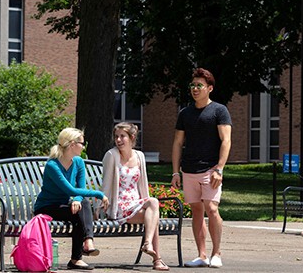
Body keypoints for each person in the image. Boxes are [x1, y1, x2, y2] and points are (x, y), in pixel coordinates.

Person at [171, 67, 232, 268]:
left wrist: (220, 168)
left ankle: (217, 253)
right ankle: (202, 255)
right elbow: (178, 143)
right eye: (193, 85)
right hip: (188, 170)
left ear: (210, 88)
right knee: (196, 211)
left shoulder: (219, 110)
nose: (195, 89)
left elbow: (226, 140)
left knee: (212, 208)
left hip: (211, 169)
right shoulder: (185, 113)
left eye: (200, 85)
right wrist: (175, 171)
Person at [33, 127, 109, 271]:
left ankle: (85, 245)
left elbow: (80, 188)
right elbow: (70, 190)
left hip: (64, 204)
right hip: (46, 207)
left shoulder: (79, 162)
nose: (83, 146)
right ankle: (80, 254)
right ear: (72, 144)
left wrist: (77, 200)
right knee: (80, 210)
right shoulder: (52, 165)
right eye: (81, 143)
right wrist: (99, 194)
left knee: (83, 204)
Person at [101, 122, 169, 271]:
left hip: (136, 203)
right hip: (118, 206)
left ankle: (149, 246)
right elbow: (105, 184)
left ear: (132, 138)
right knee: (153, 213)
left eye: (122, 136)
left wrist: (146, 204)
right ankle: (156, 258)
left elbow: (142, 184)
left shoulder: (139, 156)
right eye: (116, 136)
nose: (118, 140)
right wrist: (98, 209)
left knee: (152, 211)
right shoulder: (111, 155)